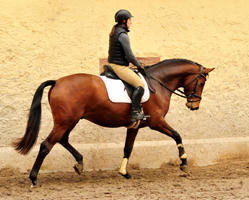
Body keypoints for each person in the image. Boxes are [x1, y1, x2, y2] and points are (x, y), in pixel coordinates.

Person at [108, 9, 146, 122]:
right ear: (124, 21)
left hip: (114, 64)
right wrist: (139, 65)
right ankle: (134, 112)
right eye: (129, 20)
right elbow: (129, 56)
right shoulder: (122, 34)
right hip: (119, 66)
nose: (131, 22)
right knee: (140, 84)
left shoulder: (116, 31)